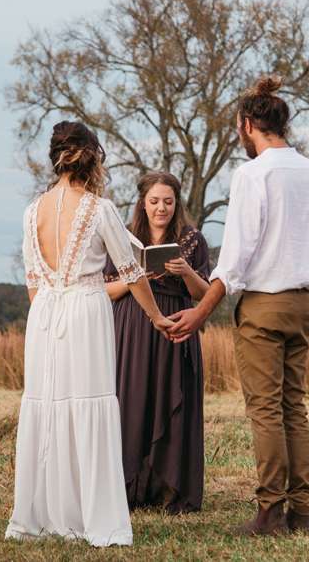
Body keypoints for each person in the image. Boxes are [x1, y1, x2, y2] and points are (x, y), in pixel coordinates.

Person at [168, 75, 309, 536]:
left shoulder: (253, 174)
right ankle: (303, 513)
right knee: (293, 407)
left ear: (246, 125)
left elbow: (235, 259)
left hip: (263, 305)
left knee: (265, 411)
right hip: (303, 304)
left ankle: (270, 512)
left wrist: (200, 312)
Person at [5, 121, 174, 548]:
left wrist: (49, 314)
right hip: (84, 311)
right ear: (93, 157)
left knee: (49, 407)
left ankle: (43, 514)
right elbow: (133, 272)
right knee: (88, 403)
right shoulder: (100, 209)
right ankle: (93, 515)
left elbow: (32, 281)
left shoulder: (31, 211)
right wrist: (156, 317)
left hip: (44, 315)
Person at [104, 171, 210, 514]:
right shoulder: (124, 237)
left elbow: (206, 294)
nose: (161, 208)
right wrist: (134, 279)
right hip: (132, 324)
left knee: (172, 397)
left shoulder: (192, 239)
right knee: (133, 399)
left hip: (176, 323)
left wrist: (186, 272)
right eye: (154, 201)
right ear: (142, 203)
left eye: (168, 201)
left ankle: (171, 489)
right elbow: (105, 290)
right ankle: (128, 487)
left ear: (176, 203)